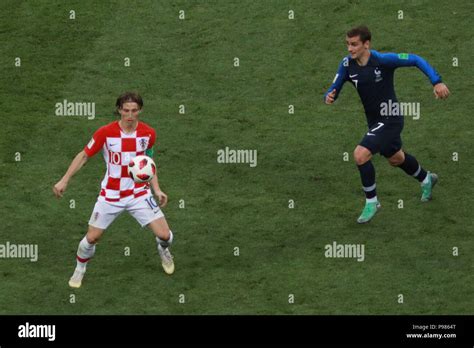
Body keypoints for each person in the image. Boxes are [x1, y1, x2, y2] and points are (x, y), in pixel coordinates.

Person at [324, 26, 450, 223]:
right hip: (374, 122)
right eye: (348, 44)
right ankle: (427, 179)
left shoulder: (382, 61)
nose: (350, 48)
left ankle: (372, 202)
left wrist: (437, 81)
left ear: (367, 44)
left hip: (391, 118)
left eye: (354, 44)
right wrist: (330, 95)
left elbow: (415, 59)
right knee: (395, 158)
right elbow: (334, 87)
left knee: (360, 154)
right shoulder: (347, 64)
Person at [53, 92, 175, 288]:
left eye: (134, 111)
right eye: (126, 110)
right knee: (92, 237)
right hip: (111, 195)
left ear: (140, 111)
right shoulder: (105, 132)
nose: (130, 115)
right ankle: (80, 269)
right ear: (119, 110)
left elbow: (148, 164)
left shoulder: (148, 133)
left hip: (139, 194)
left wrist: (157, 189)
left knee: (165, 235)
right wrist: (64, 180)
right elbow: (84, 156)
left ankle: (163, 249)